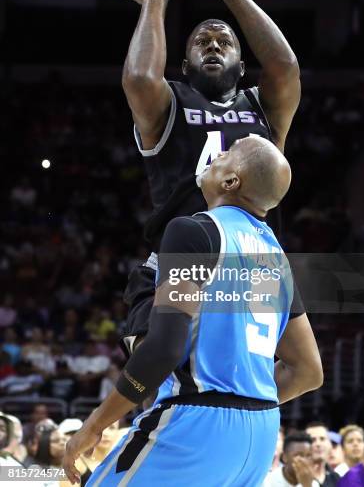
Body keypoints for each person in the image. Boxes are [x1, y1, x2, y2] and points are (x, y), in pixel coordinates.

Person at [63, 136, 323, 486]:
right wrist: (242, 400)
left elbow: (164, 349)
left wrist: (94, 425)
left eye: (227, 154)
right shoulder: (276, 257)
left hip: (197, 423)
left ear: (232, 182)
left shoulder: (195, 231)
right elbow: (308, 371)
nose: (218, 154)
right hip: (261, 434)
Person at [114, 0, 301, 356]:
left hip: (250, 266)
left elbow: (286, 68)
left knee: (295, 370)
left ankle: (239, 414)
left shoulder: (264, 108)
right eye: (202, 41)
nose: (213, 45)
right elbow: (140, 77)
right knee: (159, 371)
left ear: (241, 65)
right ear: (184, 65)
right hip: (184, 259)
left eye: (224, 42)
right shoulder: (170, 102)